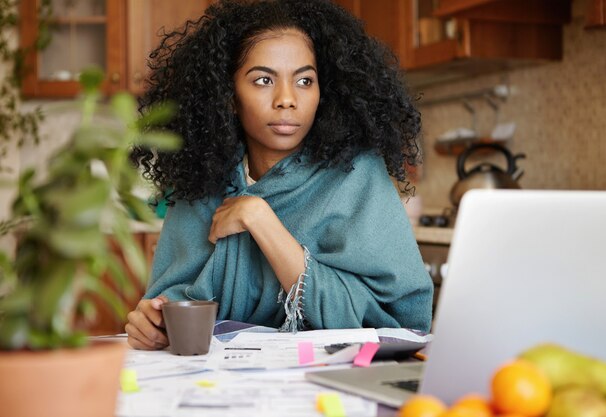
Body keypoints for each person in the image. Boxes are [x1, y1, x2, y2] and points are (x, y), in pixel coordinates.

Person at [126, 0, 433, 351]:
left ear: (323, 93)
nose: (287, 99)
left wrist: (260, 219)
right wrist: (150, 324)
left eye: (304, 80)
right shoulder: (202, 182)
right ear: (229, 95)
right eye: (263, 80)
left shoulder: (356, 176)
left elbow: (397, 323)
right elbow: (173, 305)